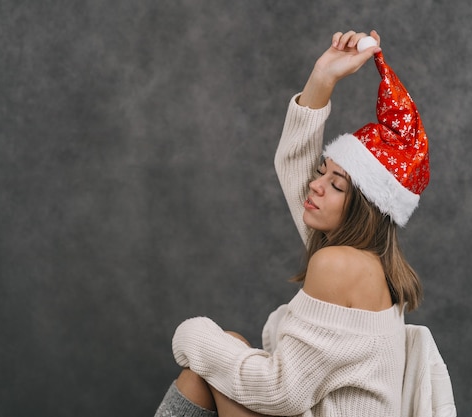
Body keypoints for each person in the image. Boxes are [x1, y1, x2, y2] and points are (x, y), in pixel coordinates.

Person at [154, 30, 429, 417]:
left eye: (336, 184)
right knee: (227, 343)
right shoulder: (365, 258)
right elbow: (293, 164)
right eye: (322, 171)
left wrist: (190, 335)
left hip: (291, 401)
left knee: (206, 359)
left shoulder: (339, 265)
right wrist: (323, 76)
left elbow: (281, 393)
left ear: (365, 208)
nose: (315, 185)